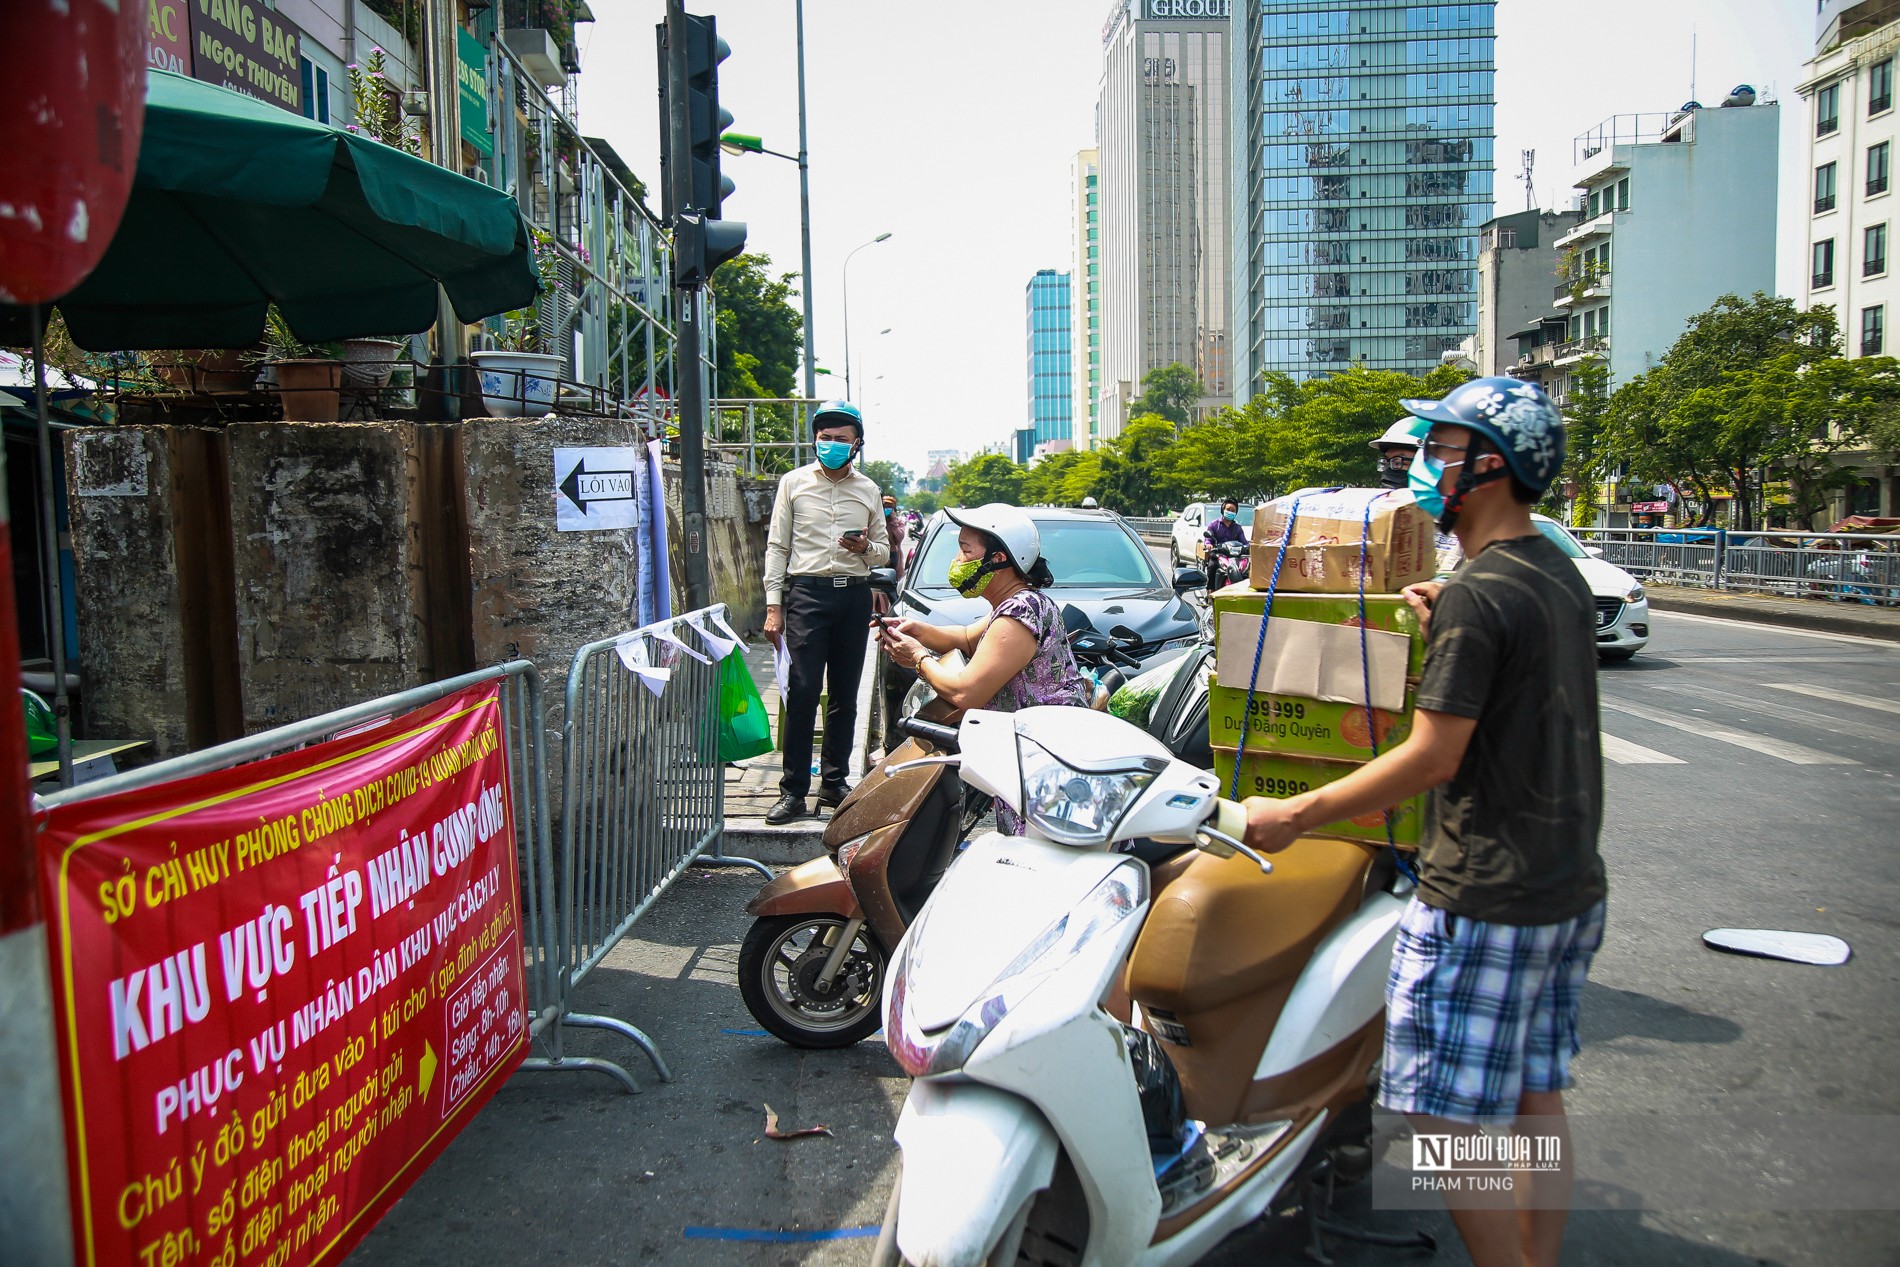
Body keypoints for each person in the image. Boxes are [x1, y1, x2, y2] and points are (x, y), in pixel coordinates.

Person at [1242, 378, 1605, 1267]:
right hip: (1565, 880)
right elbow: (1513, 658)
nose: (1424, 470)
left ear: (1491, 467)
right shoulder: (1549, 571)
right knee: (1530, 1089)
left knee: (1447, 1107)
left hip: (1484, 889)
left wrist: (1298, 809)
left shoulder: (1480, 595)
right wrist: (1450, 610)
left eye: (1441, 451)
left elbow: (1433, 756)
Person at [874, 504, 1087, 834]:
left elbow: (965, 692)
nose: (957, 560)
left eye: (965, 550)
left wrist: (918, 658)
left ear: (998, 559)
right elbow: (966, 638)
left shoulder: (1020, 611)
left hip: (1048, 766)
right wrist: (916, 629)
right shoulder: (1015, 602)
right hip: (1030, 757)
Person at [761, 400, 891, 824]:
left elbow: (884, 553)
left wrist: (864, 549)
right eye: (825, 438)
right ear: (815, 440)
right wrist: (773, 607)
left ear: (856, 445)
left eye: (841, 439)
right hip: (806, 597)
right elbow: (777, 547)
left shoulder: (868, 490)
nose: (831, 445)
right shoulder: (793, 483)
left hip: (852, 597)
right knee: (801, 692)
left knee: (845, 696)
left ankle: (834, 784)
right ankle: (793, 791)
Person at [1374, 415, 1465, 574]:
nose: (1390, 471)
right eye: (1386, 462)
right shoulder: (1379, 519)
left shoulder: (1465, 527)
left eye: (1399, 461)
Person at [1200, 498, 1247, 596]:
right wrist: (1209, 544)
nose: (1230, 512)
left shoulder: (1237, 528)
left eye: (1233, 511)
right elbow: (1208, 539)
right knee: (1212, 566)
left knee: (1246, 568)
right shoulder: (1214, 525)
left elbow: (1244, 542)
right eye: (1228, 509)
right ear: (1223, 510)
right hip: (1218, 555)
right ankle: (1210, 591)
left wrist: (1249, 547)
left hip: (1233, 557)